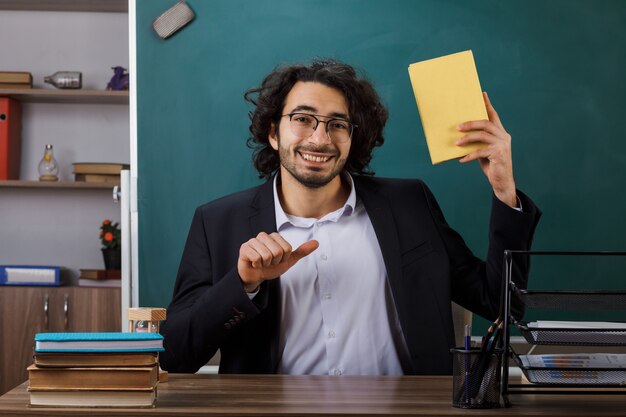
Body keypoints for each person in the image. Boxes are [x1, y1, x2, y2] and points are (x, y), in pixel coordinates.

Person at [159, 59, 541, 375]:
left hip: (410, 409)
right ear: (273, 132)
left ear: (353, 139)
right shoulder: (217, 221)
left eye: (337, 124)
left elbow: (501, 303)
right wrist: (243, 283)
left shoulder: (409, 204)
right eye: (303, 119)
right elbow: (175, 355)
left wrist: (504, 190)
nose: (320, 139)